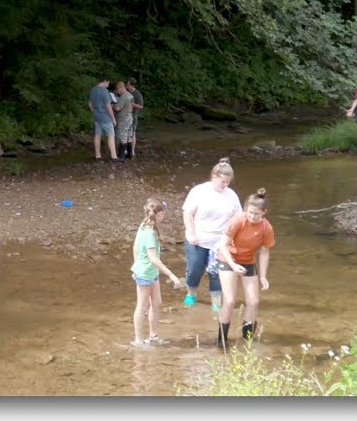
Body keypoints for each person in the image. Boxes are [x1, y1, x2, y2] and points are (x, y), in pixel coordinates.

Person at [213, 188, 275, 348]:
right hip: (228, 258)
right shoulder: (238, 220)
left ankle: (247, 341)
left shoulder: (266, 228)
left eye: (256, 214)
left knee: (253, 302)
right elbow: (222, 245)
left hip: (247, 261)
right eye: (250, 212)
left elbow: (264, 252)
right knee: (229, 300)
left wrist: (263, 276)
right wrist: (233, 265)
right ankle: (221, 340)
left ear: (264, 213)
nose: (252, 216)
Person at [181, 158, 242, 311]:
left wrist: (234, 237)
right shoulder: (199, 191)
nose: (225, 185)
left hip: (220, 241)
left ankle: (216, 302)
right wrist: (191, 233)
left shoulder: (231, 195)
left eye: (228, 182)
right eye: (222, 181)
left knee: (215, 272)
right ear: (214, 177)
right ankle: (191, 294)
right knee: (195, 268)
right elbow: (187, 213)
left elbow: (238, 217)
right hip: (198, 238)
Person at [130, 198, 185, 348]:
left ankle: (153, 336)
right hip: (145, 273)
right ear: (160, 214)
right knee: (141, 307)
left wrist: (135, 264)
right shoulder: (148, 232)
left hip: (151, 273)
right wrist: (171, 275)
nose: (164, 216)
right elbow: (153, 258)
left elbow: (135, 247)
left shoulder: (146, 225)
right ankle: (138, 340)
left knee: (156, 303)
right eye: (163, 213)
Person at [88, 77, 119, 161]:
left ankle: (98, 155)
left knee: (97, 135)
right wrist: (113, 119)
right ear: (105, 81)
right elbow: (108, 106)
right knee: (111, 135)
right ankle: (114, 156)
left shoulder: (93, 90)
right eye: (108, 83)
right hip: (105, 117)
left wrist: (95, 112)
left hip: (96, 116)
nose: (108, 85)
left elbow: (90, 104)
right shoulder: (105, 91)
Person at [113, 81, 136, 160]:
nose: (117, 91)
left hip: (123, 118)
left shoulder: (123, 96)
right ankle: (129, 154)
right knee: (129, 136)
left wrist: (112, 105)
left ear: (121, 88)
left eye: (117, 89)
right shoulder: (130, 96)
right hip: (130, 116)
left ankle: (121, 156)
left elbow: (118, 108)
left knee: (122, 136)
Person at [126, 78, 145, 158]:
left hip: (133, 116)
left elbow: (141, 106)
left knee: (132, 133)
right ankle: (126, 149)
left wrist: (132, 104)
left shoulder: (137, 94)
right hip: (125, 116)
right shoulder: (126, 92)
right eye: (126, 85)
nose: (127, 86)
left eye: (128, 85)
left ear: (132, 85)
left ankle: (132, 150)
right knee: (126, 133)